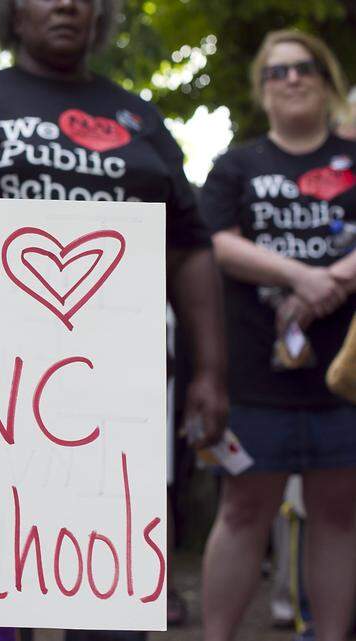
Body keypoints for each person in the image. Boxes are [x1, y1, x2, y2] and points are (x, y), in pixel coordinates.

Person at [0, 0, 230, 638]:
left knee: (108, 589)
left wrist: (210, 369)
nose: (67, 4)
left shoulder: (140, 118)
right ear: (13, 12)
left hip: (117, 397)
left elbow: (193, 245)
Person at [198, 30, 356, 641]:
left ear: (327, 80)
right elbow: (214, 241)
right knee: (242, 511)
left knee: (339, 514)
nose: (292, 79)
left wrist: (332, 279)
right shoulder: (238, 165)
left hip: (344, 380)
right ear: (262, 90)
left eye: (305, 68)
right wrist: (300, 276)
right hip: (254, 379)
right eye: (277, 71)